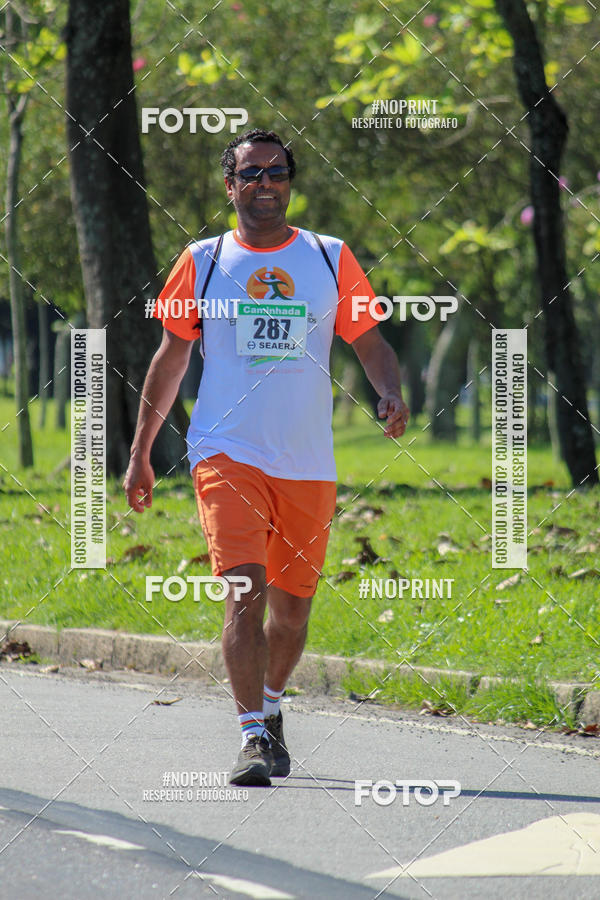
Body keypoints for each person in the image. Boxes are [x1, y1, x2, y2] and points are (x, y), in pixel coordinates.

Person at [123, 128, 409, 787]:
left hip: (307, 461)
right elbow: (170, 361)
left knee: (294, 610)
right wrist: (141, 452)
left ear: (290, 182)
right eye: (249, 174)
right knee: (244, 595)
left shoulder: (331, 258)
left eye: (275, 172)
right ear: (230, 186)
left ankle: (274, 707)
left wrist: (389, 389)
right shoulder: (202, 259)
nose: (263, 184)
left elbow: (368, 339)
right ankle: (252, 735)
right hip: (227, 449)